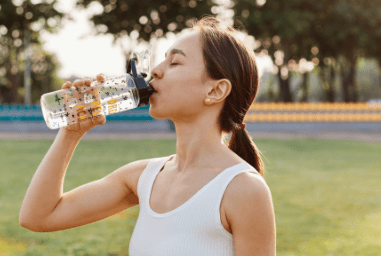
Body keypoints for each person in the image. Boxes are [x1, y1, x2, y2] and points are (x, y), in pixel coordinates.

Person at [20, 16, 276, 255]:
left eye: (175, 62)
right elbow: (38, 217)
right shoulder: (142, 177)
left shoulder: (244, 190)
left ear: (216, 90)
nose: (154, 71)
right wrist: (70, 134)